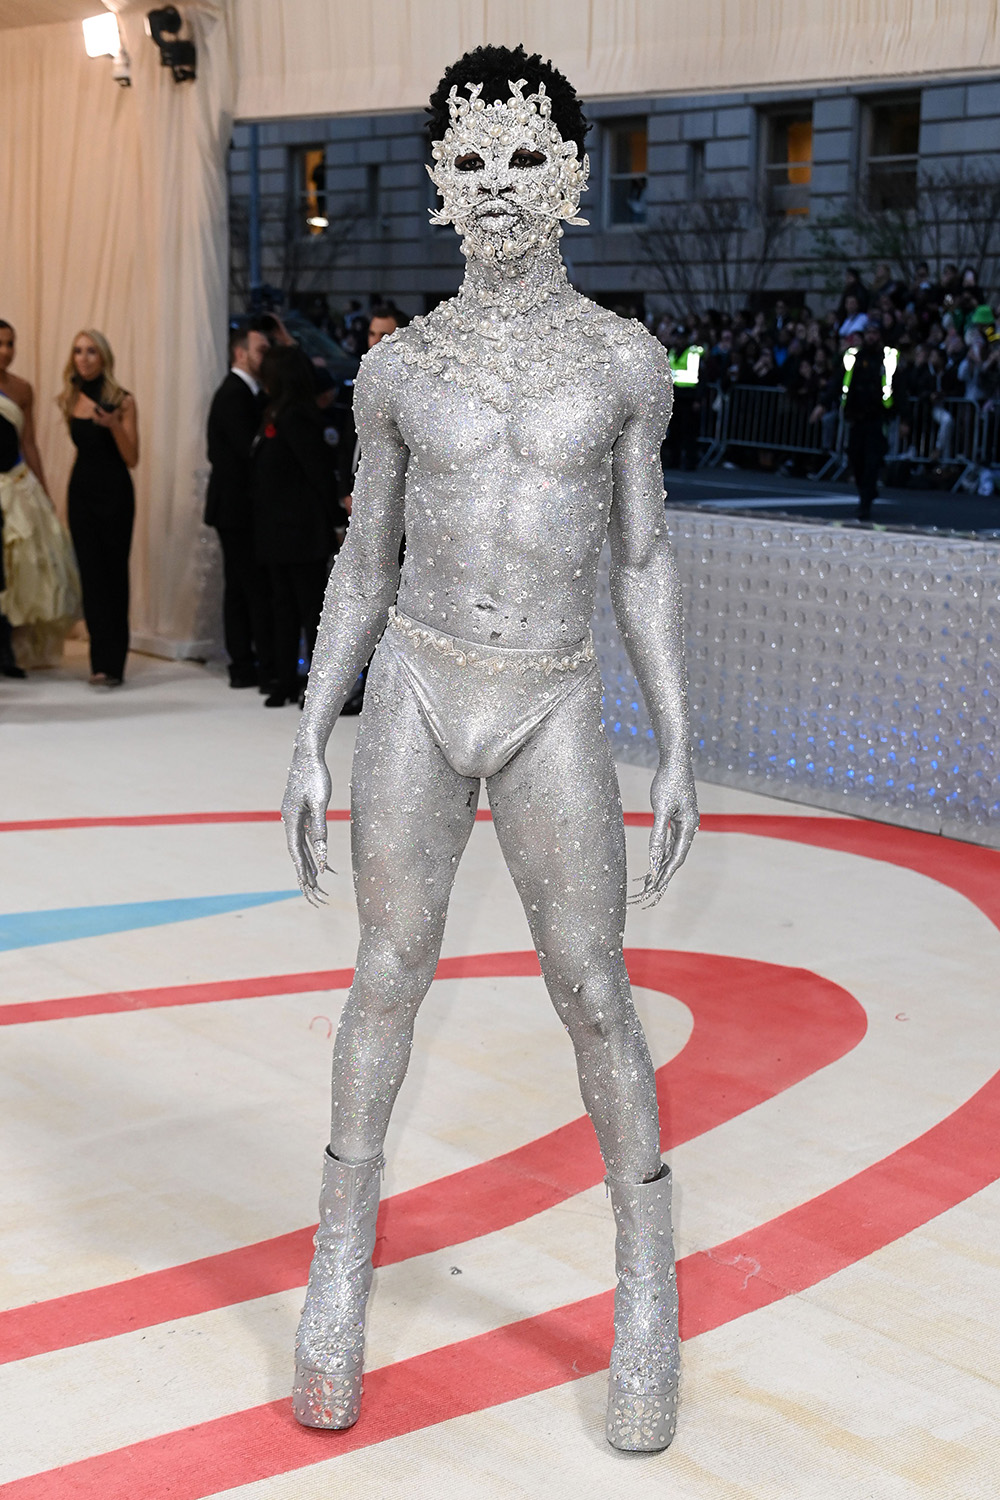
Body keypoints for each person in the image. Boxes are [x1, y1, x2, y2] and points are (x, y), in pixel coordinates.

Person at [280, 45, 698, 1454]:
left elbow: (642, 561)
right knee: (387, 973)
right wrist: (312, 735)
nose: (500, 186)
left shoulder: (626, 363)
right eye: (473, 161)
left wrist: (679, 744)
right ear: (439, 183)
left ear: (572, 177)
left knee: (593, 988)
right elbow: (362, 559)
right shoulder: (399, 371)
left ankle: (650, 1285)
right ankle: (338, 1273)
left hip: (548, 694)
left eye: (527, 159)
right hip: (417, 678)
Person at [252, 344, 344, 707]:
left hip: (301, 530)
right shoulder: (277, 412)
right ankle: (286, 678)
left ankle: (315, 684)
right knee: (284, 607)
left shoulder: (297, 417)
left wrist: (334, 519)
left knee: (309, 609)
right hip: (278, 529)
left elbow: (317, 473)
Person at [0, 321, 80, 673]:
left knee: (22, 572)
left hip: (18, 484)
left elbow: (28, 441)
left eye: (10, 344)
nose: (6, 351)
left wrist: (44, 490)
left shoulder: (21, 389)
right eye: (0, 344)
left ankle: (9, 652)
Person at [60, 330, 138, 687]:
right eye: (78, 351)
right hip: (82, 493)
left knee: (114, 575)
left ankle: (114, 664)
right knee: (90, 577)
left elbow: (132, 457)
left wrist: (113, 426)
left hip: (116, 494)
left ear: (104, 357)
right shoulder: (69, 398)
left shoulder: (122, 400)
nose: (84, 358)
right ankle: (97, 663)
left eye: (91, 351)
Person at [205, 322, 274, 690]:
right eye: (261, 351)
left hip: (233, 507)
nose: (266, 358)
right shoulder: (235, 394)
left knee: (240, 586)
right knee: (248, 587)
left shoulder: (242, 393)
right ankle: (249, 665)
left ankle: (244, 665)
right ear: (241, 353)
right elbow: (247, 453)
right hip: (236, 508)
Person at [844, 320, 889, 519]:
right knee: (855, 458)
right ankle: (866, 490)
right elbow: (842, 380)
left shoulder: (886, 359)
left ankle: (865, 503)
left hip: (876, 417)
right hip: (857, 416)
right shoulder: (855, 357)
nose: (871, 336)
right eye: (868, 333)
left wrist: (903, 416)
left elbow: (899, 386)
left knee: (871, 461)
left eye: (874, 333)